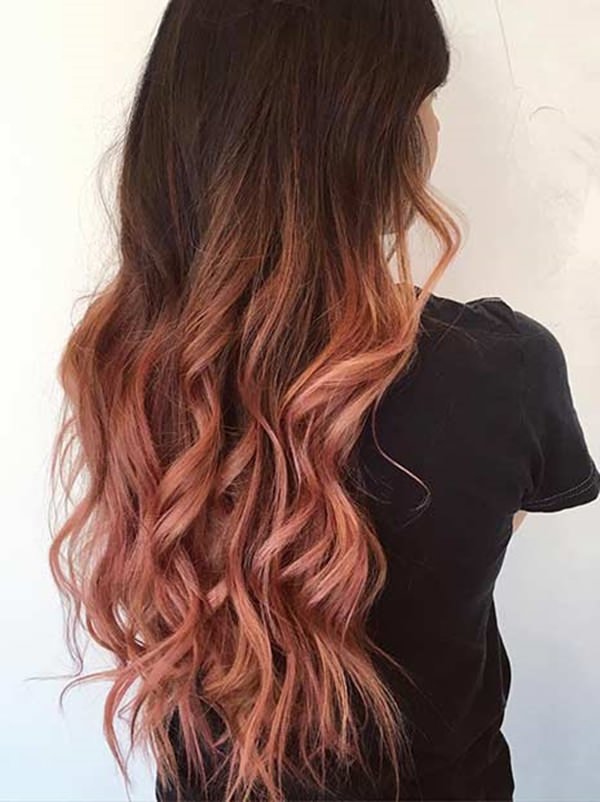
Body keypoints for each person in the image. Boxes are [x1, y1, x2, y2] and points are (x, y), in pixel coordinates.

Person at [48, 1, 600, 801]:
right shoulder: (502, 368)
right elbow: (483, 531)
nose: (436, 126)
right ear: (363, 137)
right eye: (423, 99)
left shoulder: (126, 364)